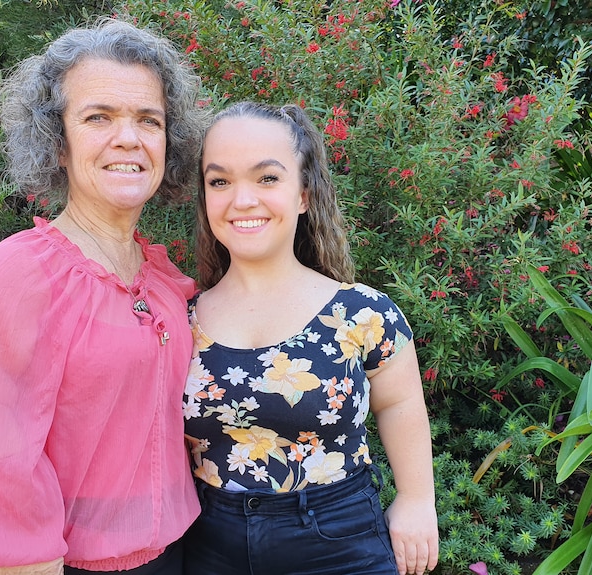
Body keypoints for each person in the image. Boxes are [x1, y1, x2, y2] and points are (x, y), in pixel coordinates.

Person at [0, 18, 207, 575]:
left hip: (178, 556)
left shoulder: (162, 280)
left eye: (149, 120)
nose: (129, 138)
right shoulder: (20, 276)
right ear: (57, 143)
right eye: (99, 117)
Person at [181, 101, 440, 575]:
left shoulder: (362, 313)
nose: (242, 200)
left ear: (303, 193)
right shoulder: (181, 319)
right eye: (220, 181)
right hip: (209, 545)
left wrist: (417, 499)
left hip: (339, 541)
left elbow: (399, 404)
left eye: (267, 178)